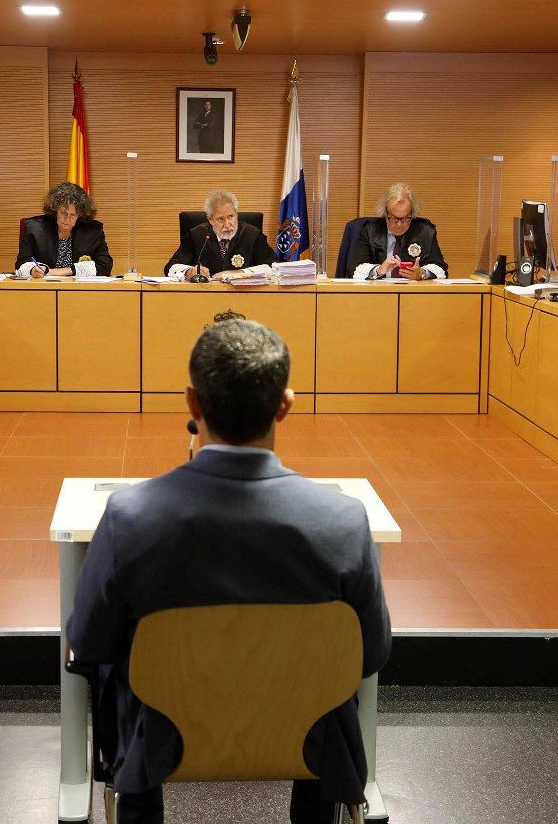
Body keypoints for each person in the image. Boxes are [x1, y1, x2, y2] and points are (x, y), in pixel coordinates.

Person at [67, 318, 391, 824]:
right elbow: (370, 653)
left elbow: (88, 643)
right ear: (285, 404)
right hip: (304, 737)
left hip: (165, 737)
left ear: (192, 404)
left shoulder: (131, 518)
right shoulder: (344, 521)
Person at [164, 190, 277, 280]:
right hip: (204, 297)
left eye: (231, 217)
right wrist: (189, 271)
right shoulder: (197, 235)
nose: (227, 224)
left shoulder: (252, 235)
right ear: (210, 220)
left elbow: (274, 267)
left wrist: (240, 273)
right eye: (220, 219)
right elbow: (170, 267)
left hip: (245, 297)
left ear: (236, 214)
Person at [349, 183, 448, 280]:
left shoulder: (425, 231)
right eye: (394, 218)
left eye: (405, 218)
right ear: (385, 213)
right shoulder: (369, 231)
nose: (399, 224)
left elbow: (440, 268)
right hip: (378, 293)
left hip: (414, 293)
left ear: (412, 214)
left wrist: (422, 273)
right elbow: (354, 269)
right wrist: (378, 270)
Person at [14, 182, 113, 278]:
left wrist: (64, 271)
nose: (67, 219)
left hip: (79, 290)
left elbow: (105, 265)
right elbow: (21, 262)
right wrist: (32, 269)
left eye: (72, 215)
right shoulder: (34, 228)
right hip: (43, 288)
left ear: (80, 215)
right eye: (63, 213)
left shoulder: (92, 230)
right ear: (55, 210)